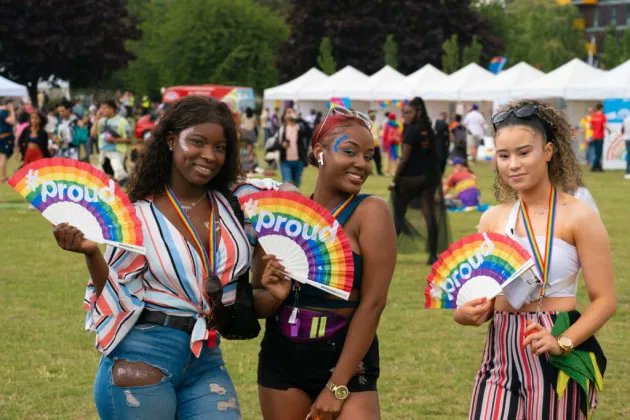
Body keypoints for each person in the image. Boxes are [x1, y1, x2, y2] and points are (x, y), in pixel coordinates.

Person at [51, 96, 285, 418]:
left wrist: (272, 294)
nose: (209, 155)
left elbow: (289, 209)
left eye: (220, 147)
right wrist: (92, 254)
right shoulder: (136, 217)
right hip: (142, 358)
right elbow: (115, 293)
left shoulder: (236, 207)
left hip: (205, 359)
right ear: (172, 140)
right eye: (198, 142)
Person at [455, 99, 616, 419]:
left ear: (548, 151)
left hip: (553, 349)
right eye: (503, 155)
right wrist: (466, 312)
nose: (513, 164)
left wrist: (563, 342)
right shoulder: (492, 219)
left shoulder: (579, 216)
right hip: (499, 354)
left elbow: (605, 299)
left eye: (523, 152)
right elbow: (479, 297)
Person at [255, 105, 397, 420]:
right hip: (282, 359)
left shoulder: (370, 212)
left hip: (344, 359)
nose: (361, 163)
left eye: (369, 156)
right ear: (320, 152)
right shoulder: (284, 217)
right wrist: (272, 294)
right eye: (350, 152)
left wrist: (336, 386)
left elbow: (373, 304)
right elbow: (259, 306)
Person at [390, 97, 446, 264]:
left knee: (398, 214)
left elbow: (404, 158)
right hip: (428, 178)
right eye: (404, 113)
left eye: (408, 112)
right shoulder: (429, 129)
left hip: (410, 179)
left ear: (418, 112)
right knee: (429, 215)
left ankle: (386, 251)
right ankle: (433, 254)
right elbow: (436, 156)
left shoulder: (411, 130)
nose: (405, 116)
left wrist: (394, 179)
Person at [91, 99, 131, 184]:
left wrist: (114, 140)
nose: (102, 110)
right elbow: (93, 134)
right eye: (101, 108)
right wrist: (97, 119)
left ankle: (125, 184)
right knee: (104, 175)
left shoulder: (122, 121)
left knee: (117, 171)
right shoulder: (101, 121)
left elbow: (129, 139)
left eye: (104, 108)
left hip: (116, 151)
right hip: (103, 151)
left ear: (112, 109)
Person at [278, 107, 310, 187]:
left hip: (298, 161)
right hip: (285, 162)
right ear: (284, 115)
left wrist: (299, 118)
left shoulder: (299, 128)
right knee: (287, 185)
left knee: (296, 186)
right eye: (288, 112)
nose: (290, 114)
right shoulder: (282, 129)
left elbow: (309, 132)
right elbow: (276, 143)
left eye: (291, 112)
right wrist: (282, 145)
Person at [0, 99, 16, 182]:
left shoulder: (2, 111)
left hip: (5, 137)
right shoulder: (3, 113)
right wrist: (12, 111)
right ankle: (2, 177)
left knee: (3, 157)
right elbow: (12, 121)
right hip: (5, 137)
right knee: (3, 157)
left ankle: (3, 176)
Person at [589, 103, 607, 172]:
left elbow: (591, 127)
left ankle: (599, 168)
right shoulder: (603, 116)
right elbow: (604, 125)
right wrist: (610, 130)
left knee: (597, 153)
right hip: (600, 136)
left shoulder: (593, 116)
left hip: (594, 136)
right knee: (599, 154)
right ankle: (593, 167)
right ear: (601, 108)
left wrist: (595, 129)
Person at [368, 110, 383, 175]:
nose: (374, 117)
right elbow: (380, 134)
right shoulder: (374, 125)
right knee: (376, 159)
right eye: (374, 116)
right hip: (373, 144)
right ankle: (377, 171)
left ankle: (373, 172)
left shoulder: (368, 124)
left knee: (372, 159)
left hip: (372, 144)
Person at [622, 111, 630, 180]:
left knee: (628, 154)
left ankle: (627, 172)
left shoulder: (626, 119)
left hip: (627, 138)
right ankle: (627, 172)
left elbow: (622, 130)